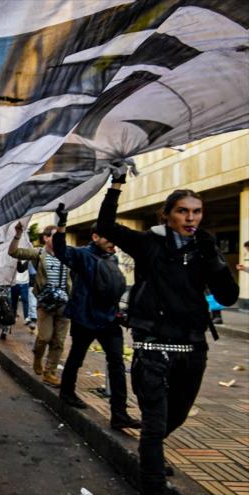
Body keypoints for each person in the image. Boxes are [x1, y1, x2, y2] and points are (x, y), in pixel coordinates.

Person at [97, 175, 239, 495]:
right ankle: (153, 483)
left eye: (197, 212)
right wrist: (116, 186)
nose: (191, 218)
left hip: (193, 347)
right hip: (153, 346)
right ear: (167, 214)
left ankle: (153, 454)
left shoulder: (205, 248)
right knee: (154, 423)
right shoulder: (149, 243)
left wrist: (214, 257)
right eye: (183, 211)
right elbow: (105, 226)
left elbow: (229, 297)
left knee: (177, 416)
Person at [50, 207, 141, 430]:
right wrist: (62, 223)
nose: (114, 243)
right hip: (85, 319)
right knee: (76, 358)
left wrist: (119, 312)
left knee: (117, 364)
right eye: (109, 238)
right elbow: (60, 250)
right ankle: (67, 392)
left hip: (109, 321)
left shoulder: (112, 258)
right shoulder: (81, 255)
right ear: (95, 237)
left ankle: (119, 414)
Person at [9, 224, 71, 386]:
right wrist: (18, 235)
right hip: (46, 304)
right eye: (54, 236)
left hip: (64, 304)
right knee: (44, 337)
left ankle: (49, 373)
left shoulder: (67, 253)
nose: (58, 240)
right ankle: (37, 357)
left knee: (59, 341)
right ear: (45, 238)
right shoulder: (39, 253)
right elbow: (14, 252)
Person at [11, 260, 30, 325]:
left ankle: (26, 317)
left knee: (25, 300)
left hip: (25, 283)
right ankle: (14, 316)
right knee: (14, 301)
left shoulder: (27, 259)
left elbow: (22, 269)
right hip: (15, 283)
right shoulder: (14, 259)